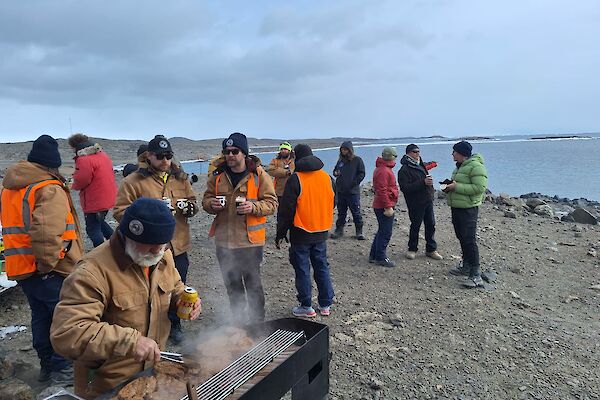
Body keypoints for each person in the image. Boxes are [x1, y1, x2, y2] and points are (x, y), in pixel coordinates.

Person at [50, 198, 201, 399]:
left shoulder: (162, 256)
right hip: (107, 384)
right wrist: (129, 341)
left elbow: (175, 287)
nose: (158, 251)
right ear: (128, 235)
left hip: (149, 376)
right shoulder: (92, 272)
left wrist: (181, 299)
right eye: (150, 245)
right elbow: (67, 333)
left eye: (162, 244)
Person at [0, 135, 83, 385]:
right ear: (53, 165)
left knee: (41, 317)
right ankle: (63, 374)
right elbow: (46, 234)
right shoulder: (48, 188)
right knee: (63, 320)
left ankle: (47, 368)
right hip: (49, 270)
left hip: (23, 269)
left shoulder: (11, 187)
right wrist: (48, 266)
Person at [113, 135, 198, 344]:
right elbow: (119, 212)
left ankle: (174, 326)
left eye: (168, 156)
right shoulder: (133, 181)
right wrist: (149, 216)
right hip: (146, 249)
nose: (165, 161)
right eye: (160, 156)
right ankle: (144, 331)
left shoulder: (180, 177)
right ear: (148, 156)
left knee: (177, 287)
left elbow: (193, 202)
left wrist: (189, 208)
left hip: (177, 245)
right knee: (147, 291)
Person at [202, 132, 277, 323]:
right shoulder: (217, 176)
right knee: (232, 286)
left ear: (244, 153)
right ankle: (238, 322)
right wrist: (212, 205)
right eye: (226, 151)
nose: (230, 155)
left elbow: (272, 203)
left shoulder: (259, 176)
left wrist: (253, 207)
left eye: (235, 151)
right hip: (224, 242)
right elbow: (206, 200)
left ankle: (257, 323)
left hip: (250, 242)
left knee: (253, 285)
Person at [275, 144, 335, 317]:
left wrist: (280, 234)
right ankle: (325, 304)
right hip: (322, 230)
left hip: (301, 232)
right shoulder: (327, 178)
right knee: (321, 266)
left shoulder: (296, 179)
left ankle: (306, 305)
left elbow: (286, 210)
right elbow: (333, 201)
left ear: (296, 157)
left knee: (302, 269)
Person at [443, 141, 488, 288]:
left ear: (462, 153)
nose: (452, 154)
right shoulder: (459, 167)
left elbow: (480, 188)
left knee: (469, 239)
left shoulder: (476, 166)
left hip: (468, 208)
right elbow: (460, 184)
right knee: (461, 237)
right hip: (457, 207)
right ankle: (466, 265)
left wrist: (456, 186)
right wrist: (449, 187)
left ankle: (475, 274)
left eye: (454, 151)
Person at [68, 133, 118, 248]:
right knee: (99, 222)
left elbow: (82, 180)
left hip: (95, 199)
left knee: (92, 228)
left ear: (76, 146)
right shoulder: (101, 154)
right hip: (106, 197)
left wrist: (73, 185)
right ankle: (117, 243)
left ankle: (101, 251)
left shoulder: (84, 159)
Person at [398, 144, 443, 261]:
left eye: (418, 151)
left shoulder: (421, 164)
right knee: (415, 226)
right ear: (408, 153)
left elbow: (427, 177)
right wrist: (423, 182)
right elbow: (405, 188)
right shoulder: (404, 170)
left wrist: (430, 189)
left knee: (431, 225)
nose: (418, 154)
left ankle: (431, 249)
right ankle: (412, 249)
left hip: (427, 200)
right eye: (415, 152)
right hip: (415, 202)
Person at [369, 147, 399, 268]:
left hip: (381, 204)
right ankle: (380, 257)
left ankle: (374, 255)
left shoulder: (382, 169)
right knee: (386, 231)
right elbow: (382, 190)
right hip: (383, 205)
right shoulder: (384, 171)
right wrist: (388, 206)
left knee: (382, 230)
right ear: (392, 157)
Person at [330, 141, 366, 240]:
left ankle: (359, 231)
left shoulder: (357, 160)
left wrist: (354, 183)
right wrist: (336, 173)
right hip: (341, 191)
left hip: (352, 192)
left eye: (345, 149)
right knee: (341, 212)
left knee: (356, 212)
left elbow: (362, 173)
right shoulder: (340, 161)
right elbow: (335, 171)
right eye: (342, 149)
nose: (343, 151)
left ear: (350, 150)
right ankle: (339, 230)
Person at [267, 142, 295, 222]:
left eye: (285, 149)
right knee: (282, 213)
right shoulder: (275, 160)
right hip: (280, 192)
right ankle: (280, 233)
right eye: (282, 149)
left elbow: (297, 171)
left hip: (294, 191)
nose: (283, 151)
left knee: (293, 212)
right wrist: (286, 172)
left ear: (290, 150)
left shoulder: (295, 160)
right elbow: (271, 171)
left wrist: (290, 171)